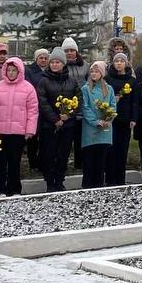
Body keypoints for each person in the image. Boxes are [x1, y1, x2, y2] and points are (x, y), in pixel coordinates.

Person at [0, 56, 38, 197]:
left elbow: (33, 111)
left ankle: (14, 189)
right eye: (9, 70)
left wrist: (30, 130)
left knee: (14, 162)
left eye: (14, 70)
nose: (11, 73)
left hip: (18, 132)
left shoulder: (28, 88)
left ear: (19, 71)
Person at [35, 48, 79, 193]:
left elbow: (78, 100)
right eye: (52, 62)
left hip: (68, 125)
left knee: (63, 154)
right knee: (49, 154)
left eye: (57, 62)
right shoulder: (44, 81)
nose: (54, 65)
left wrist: (68, 115)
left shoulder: (72, 81)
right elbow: (42, 101)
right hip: (49, 125)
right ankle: (50, 182)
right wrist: (55, 119)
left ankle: (60, 181)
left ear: (63, 64)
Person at [78, 61, 116, 189]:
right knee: (89, 162)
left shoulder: (109, 89)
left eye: (96, 71)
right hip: (90, 130)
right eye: (92, 72)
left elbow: (113, 105)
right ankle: (87, 187)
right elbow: (85, 107)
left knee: (101, 162)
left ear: (102, 73)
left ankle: (99, 187)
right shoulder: (85, 89)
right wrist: (96, 121)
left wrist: (108, 119)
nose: (93, 74)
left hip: (105, 130)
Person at [104, 52, 138, 186]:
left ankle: (120, 180)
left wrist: (133, 118)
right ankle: (110, 180)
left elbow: (135, 101)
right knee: (111, 150)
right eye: (116, 61)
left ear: (126, 63)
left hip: (125, 120)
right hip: (110, 119)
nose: (119, 63)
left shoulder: (132, 80)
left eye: (121, 61)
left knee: (122, 150)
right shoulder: (107, 79)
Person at [62, 37, 87, 170]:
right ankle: (63, 163)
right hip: (66, 106)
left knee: (80, 137)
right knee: (66, 139)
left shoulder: (85, 65)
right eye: (66, 51)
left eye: (72, 50)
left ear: (76, 51)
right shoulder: (61, 66)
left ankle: (79, 163)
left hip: (82, 105)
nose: (69, 53)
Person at [25, 47, 50, 170]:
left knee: (45, 137)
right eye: (41, 58)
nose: (43, 60)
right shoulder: (29, 71)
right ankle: (33, 163)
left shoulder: (50, 70)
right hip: (34, 106)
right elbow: (29, 87)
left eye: (46, 58)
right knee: (33, 136)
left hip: (47, 107)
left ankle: (43, 161)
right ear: (36, 59)